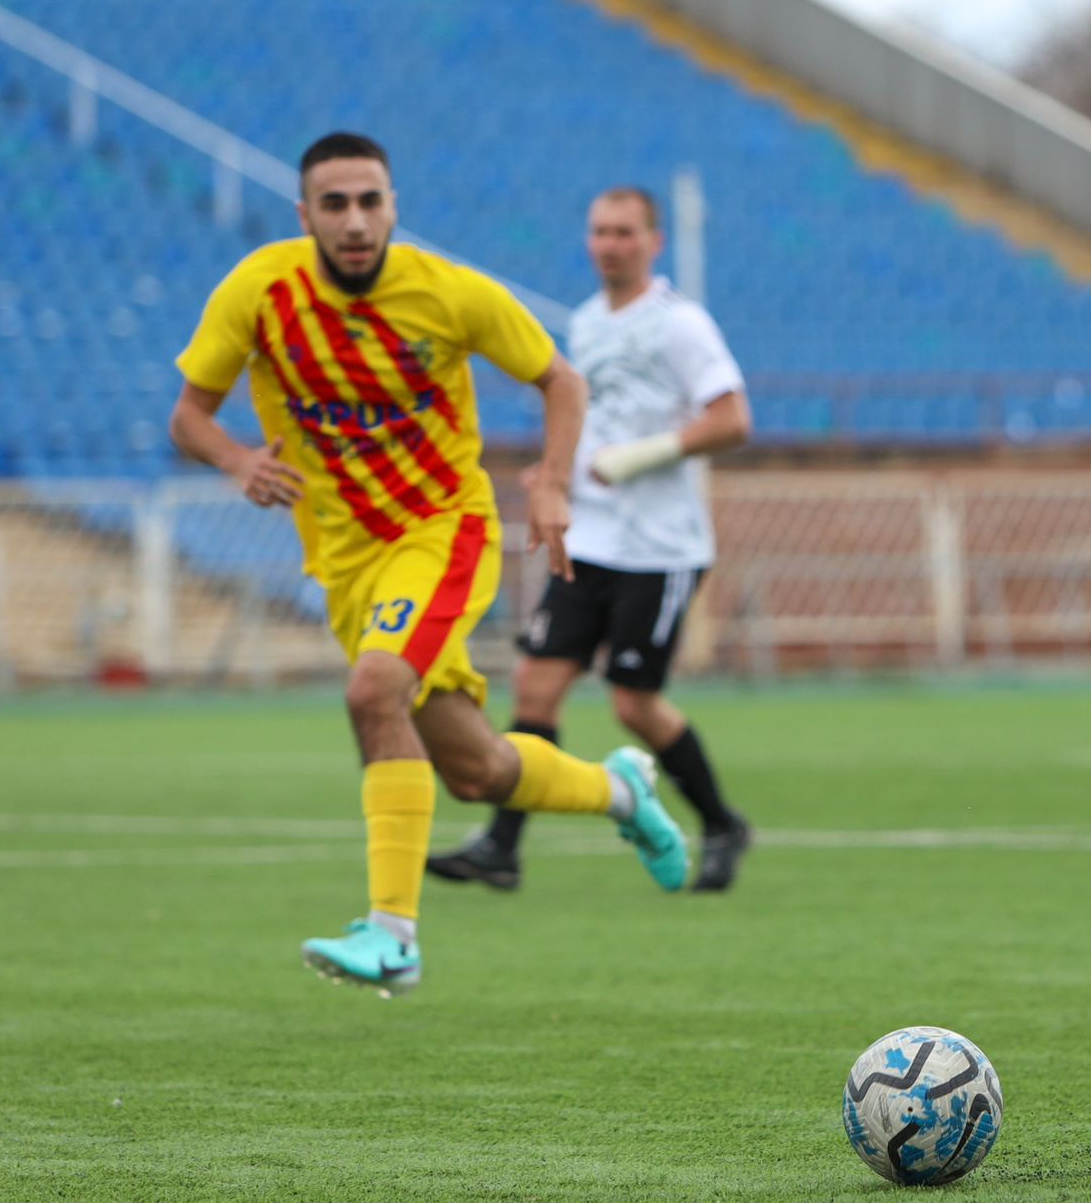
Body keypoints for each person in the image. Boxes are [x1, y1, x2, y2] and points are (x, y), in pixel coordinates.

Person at [168, 133, 692, 999]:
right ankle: (621, 791)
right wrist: (234, 459)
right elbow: (189, 414)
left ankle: (393, 936)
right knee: (476, 768)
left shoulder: (447, 292)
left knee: (375, 693)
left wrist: (553, 483)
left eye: (370, 200)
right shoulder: (259, 290)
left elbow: (561, 380)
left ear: (393, 207)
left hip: (440, 529)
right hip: (345, 561)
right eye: (334, 204)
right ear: (306, 217)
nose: (355, 220)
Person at [427, 186, 755, 894]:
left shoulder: (680, 324)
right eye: (600, 231)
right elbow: (587, 417)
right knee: (537, 686)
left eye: (625, 232)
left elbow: (732, 418)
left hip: (660, 546)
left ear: (652, 242)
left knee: (632, 702)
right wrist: (555, 470)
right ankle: (501, 847)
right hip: (592, 539)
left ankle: (722, 823)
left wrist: (639, 457)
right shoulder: (585, 321)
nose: (611, 244)